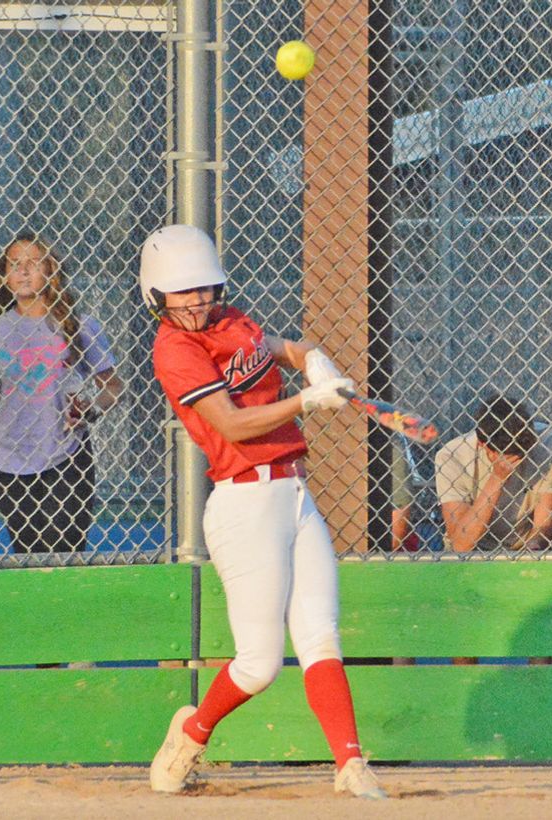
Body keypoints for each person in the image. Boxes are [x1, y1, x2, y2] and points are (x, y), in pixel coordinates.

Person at [139, 224, 386, 800]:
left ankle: (350, 765)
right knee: (259, 664)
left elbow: (283, 348)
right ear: (157, 296)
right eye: (183, 292)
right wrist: (305, 401)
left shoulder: (232, 321)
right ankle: (191, 733)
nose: (198, 300)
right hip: (244, 503)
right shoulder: (174, 349)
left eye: (204, 288)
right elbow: (228, 422)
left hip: (295, 496)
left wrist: (313, 360)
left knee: (321, 636)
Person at [0, 232, 121, 554]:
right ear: (5, 276)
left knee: (63, 553)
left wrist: (90, 409)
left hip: (66, 456)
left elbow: (113, 387)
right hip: (10, 464)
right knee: (27, 556)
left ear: (51, 271)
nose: (24, 271)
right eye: (15, 264)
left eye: (34, 263)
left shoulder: (77, 325)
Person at [435, 393, 552, 552]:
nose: (517, 462)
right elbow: (461, 544)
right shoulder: (452, 455)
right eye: (508, 456)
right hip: (474, 550)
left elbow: (544, 524)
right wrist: (497, 478)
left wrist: (533, 548)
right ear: (482, 444)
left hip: (525, 545)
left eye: (521, 454)